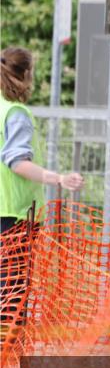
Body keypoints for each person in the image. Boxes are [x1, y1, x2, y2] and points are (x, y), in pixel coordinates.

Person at [1, 47, 84, 336]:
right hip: (12, 216)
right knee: (10, 295)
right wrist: (58, 178)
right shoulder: (15, 113)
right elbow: (17, 162)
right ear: (25, 75)